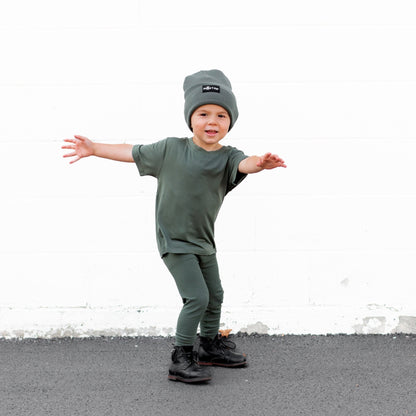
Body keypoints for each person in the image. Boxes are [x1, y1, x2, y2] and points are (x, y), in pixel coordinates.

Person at [62, 69, 286, 384]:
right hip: (175, 241)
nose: (212, 121)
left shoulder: (228, 157)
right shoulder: (170, 150)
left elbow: (245, 163)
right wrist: (95, 148)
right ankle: (181, 357)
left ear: (230, 122)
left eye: (221, 115)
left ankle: (209, 346)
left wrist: (260, 163)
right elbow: (131, 152)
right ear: (190, 118)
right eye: (203, 113)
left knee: (215, 294)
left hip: (204, 241)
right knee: (197, 298)